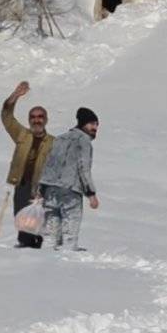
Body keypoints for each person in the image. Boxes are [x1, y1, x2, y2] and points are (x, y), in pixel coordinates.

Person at [0, 81, 55, 248]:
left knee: (34, 222)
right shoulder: (22, 135)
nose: (36, 120)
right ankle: (26, 249)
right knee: (20, 217)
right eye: (33, 117)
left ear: (45, 120)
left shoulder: (53, 142)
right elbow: (6, 116)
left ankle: (31, 249)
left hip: (41, 188)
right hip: (22, 184)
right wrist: (15, 95)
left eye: (40, 117)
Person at [38, 107, 100, 251]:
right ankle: (68, 255)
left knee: (50, 230)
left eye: (96, 124)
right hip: (70, 190)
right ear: (83, 123)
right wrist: (91, 194)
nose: (95, 128)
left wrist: (41, 188)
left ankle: (47, 258)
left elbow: (47, 163)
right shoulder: (84, 141)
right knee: (70, 227)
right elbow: (83, 168)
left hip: (50, 190)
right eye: (92, 124)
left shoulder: (59, 139)